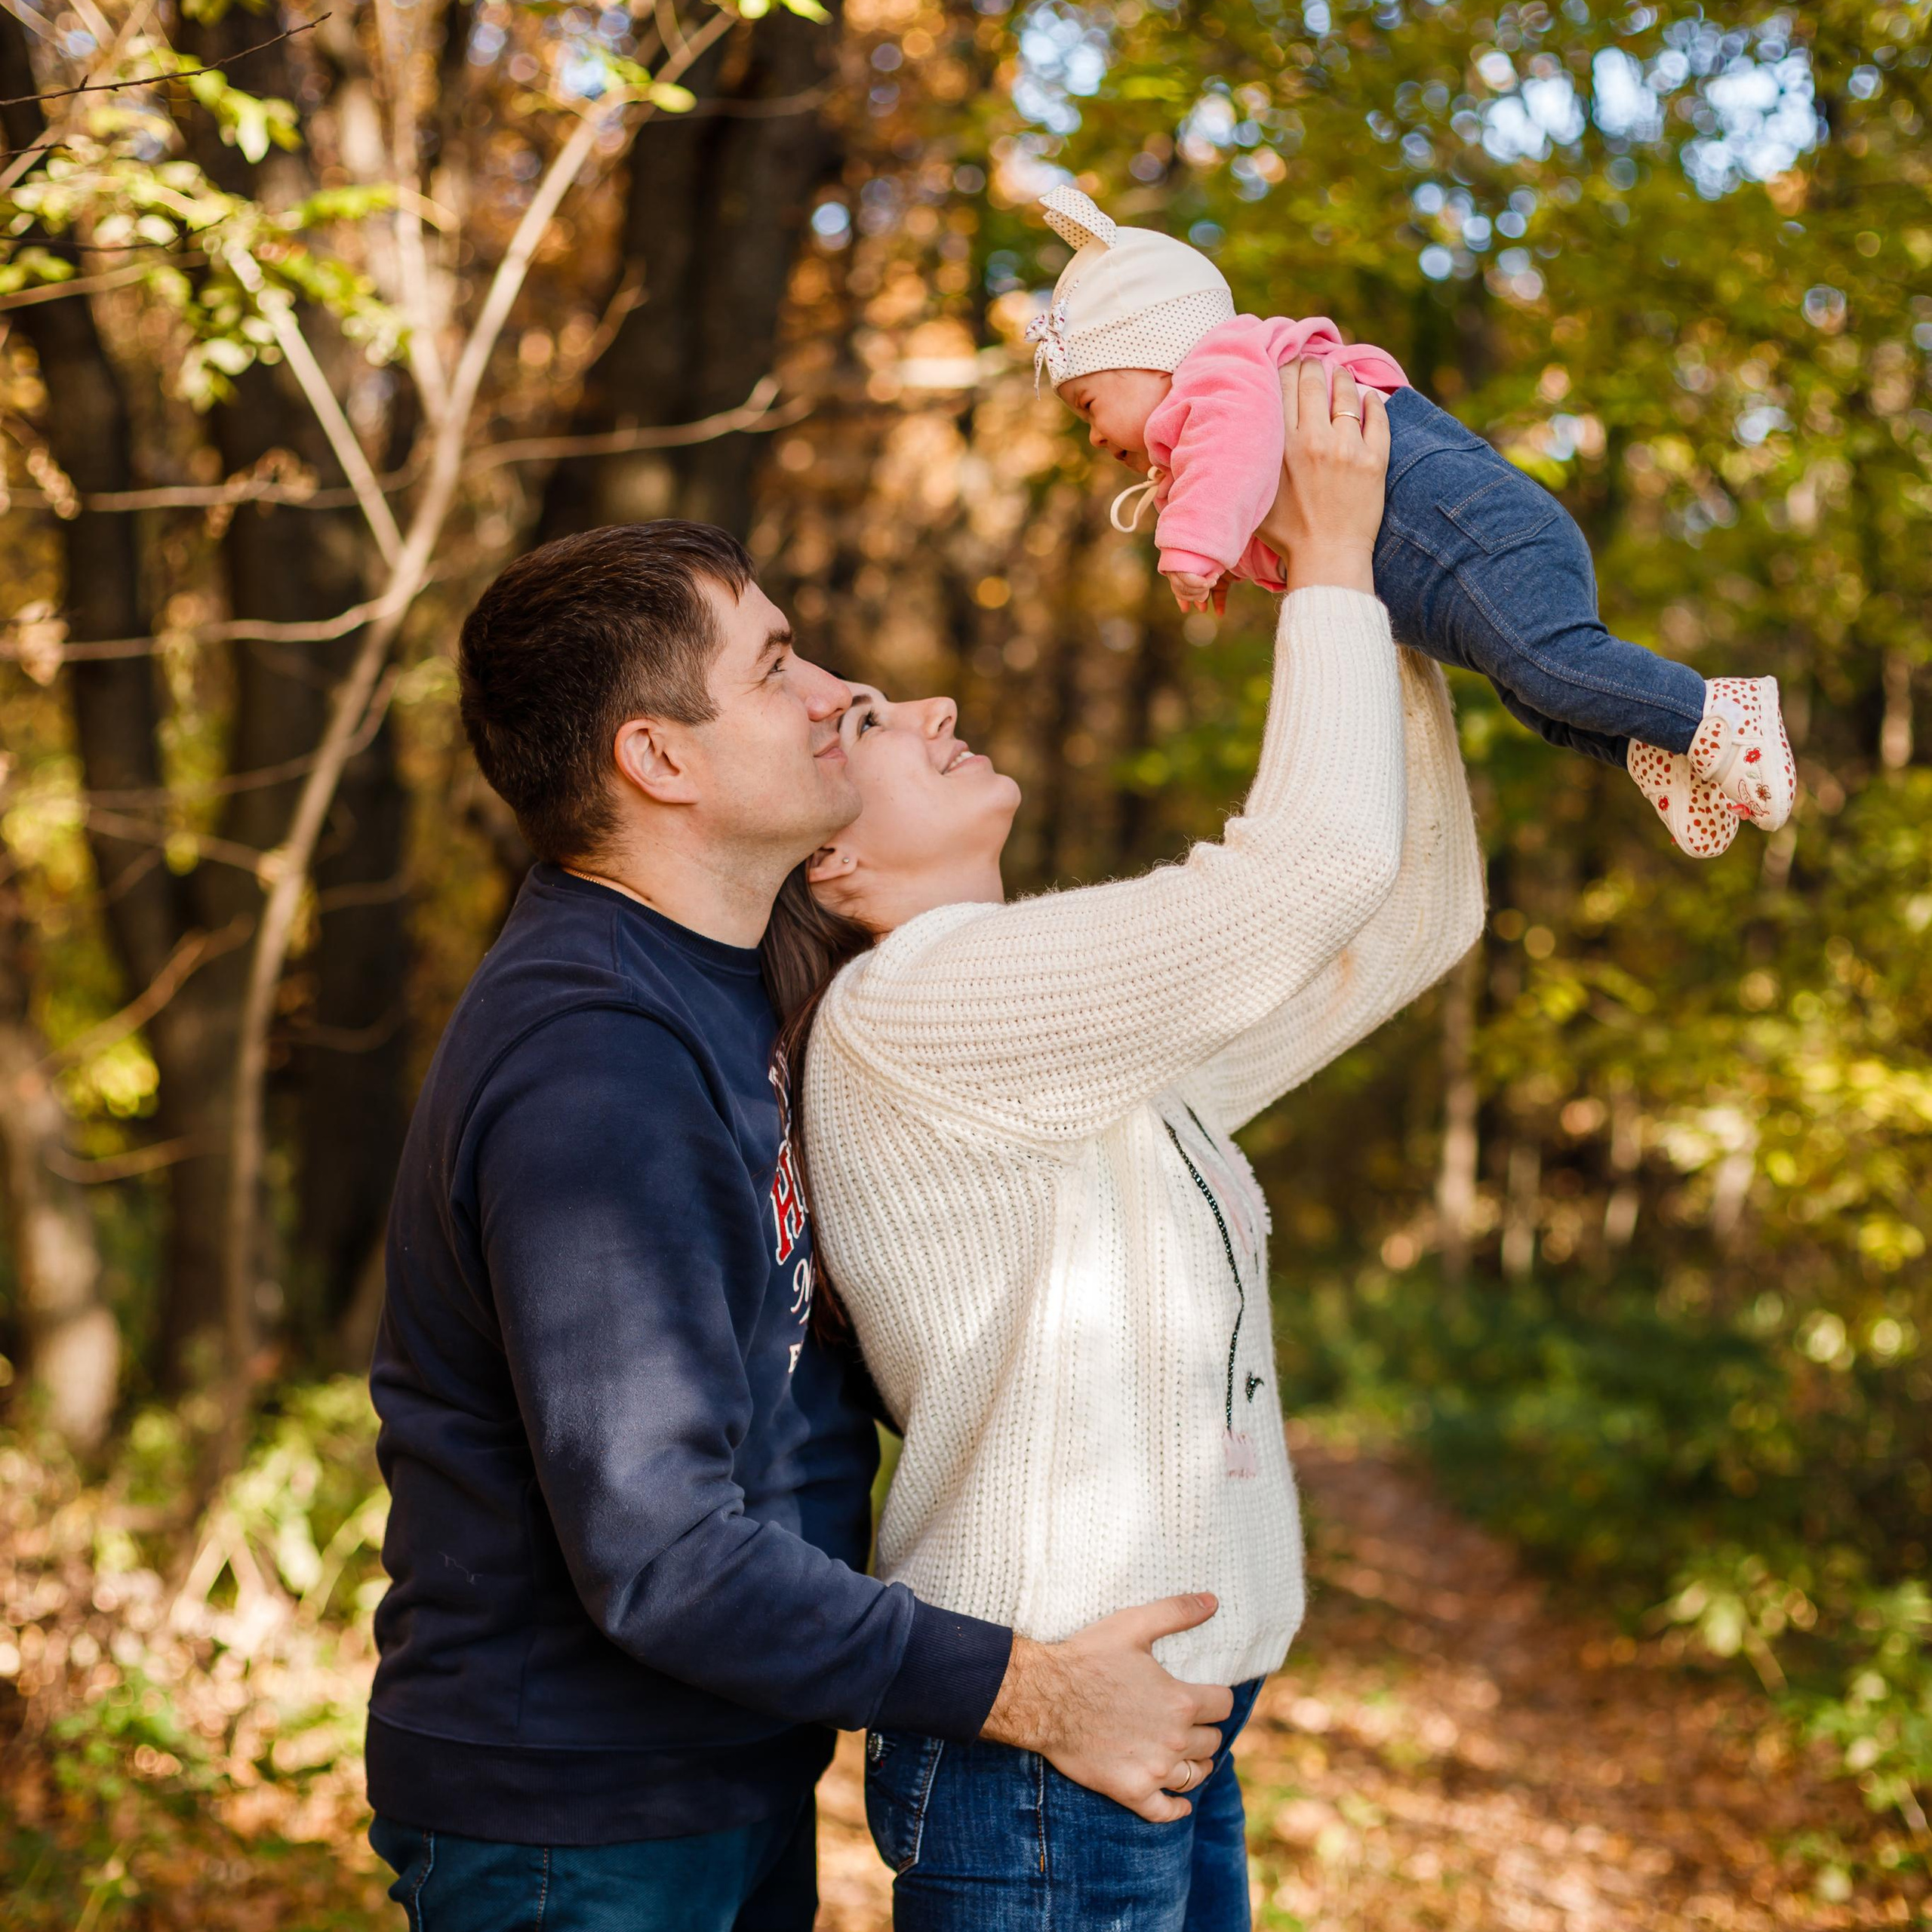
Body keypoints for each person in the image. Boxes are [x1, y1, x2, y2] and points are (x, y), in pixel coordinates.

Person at [365, 520, 1235, 1932]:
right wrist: (1030, 1688)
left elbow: (809, 1401)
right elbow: (660, 1550)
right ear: (662, 759)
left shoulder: (726, 983)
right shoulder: (595, 1063)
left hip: (716, 1773)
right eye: (776, 667)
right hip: (572, 1825)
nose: (837, 690)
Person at [759, 360, 1485, 1930]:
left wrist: (1382, 593)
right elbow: (1306, 870)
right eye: (875, 721)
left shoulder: (1056, 1027)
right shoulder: (921, 1007)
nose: (937, 705)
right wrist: (1337, 565)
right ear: (827, 858)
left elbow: (1406, 914)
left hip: (1154, 1716)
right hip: (1047, 1742)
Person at [1026, 183, 1793, 860]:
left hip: (1477, 538)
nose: (1094, 438)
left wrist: (1196, 545)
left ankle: (1713, 712)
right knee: (1531, 695)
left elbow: (1235, 445)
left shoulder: (1223, 366)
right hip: (1451, 574)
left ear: (1155, 348)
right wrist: (1225, 561)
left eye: (1088, 407)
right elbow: (1243, 475)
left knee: (1546, 665)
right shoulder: (1224, 407)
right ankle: (1657, 745)